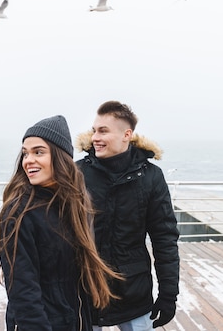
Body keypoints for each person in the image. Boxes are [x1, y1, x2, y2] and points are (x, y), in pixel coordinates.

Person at [0, 115, 122, 331]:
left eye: (38, 152)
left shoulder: (74, 206)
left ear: (60, 157)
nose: (28, 160)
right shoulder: (19, 212)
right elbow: (23, 294)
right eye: (26, 153)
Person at [75, 101, 180, 330]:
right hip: (85, 292)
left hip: (133, 292)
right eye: (94, 131)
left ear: (126, 134)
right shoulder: (77, 174)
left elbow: (165, 239)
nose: (95, 137)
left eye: (103, 131)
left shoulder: (151, 177)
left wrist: (168, 295)